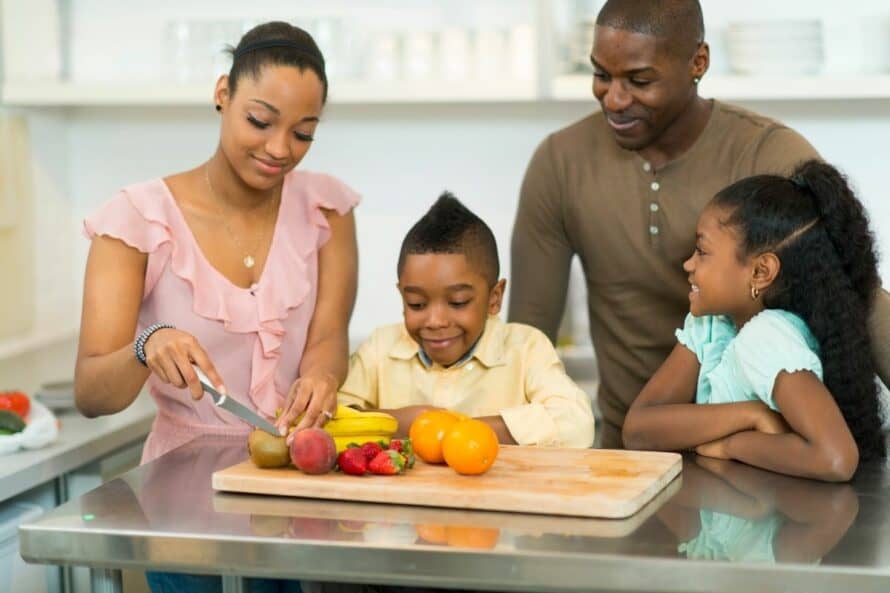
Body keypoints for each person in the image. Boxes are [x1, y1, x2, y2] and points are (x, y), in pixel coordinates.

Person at [508, 0, 890, 449]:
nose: (614, 98)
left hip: (756, 459)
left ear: (698, 62)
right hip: (628, 454)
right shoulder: (560, 163)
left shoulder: (764, 153)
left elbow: (853, 290)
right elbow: (527, 345)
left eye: (639, 80)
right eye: (601, 75)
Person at [76, 22, 359, 482]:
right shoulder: (136, 219)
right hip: (180, 486)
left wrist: (323, 380)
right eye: (260, 122)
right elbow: (91, 395)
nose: (279, 149)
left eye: (303, 134)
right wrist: (147, 346)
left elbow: (327, 337)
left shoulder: (328, 211)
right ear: (223, 93)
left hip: (298, 478)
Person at [622, 160, 886, 481]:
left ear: (761, 272)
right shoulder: (711, 325)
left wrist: (732, 444)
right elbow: (638, 429)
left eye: (702, 252)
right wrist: (752, 414)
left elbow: (835, 459)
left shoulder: (767, 337)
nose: (688, 264)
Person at [337, 193, 594, 448]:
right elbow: (334, 418)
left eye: (458, 302)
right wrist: (411, 422)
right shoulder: (380, 347)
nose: (435, 321)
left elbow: (576, 423)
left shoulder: (526, 347)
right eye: (416, 304)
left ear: (494, 298)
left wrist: (455, 430)